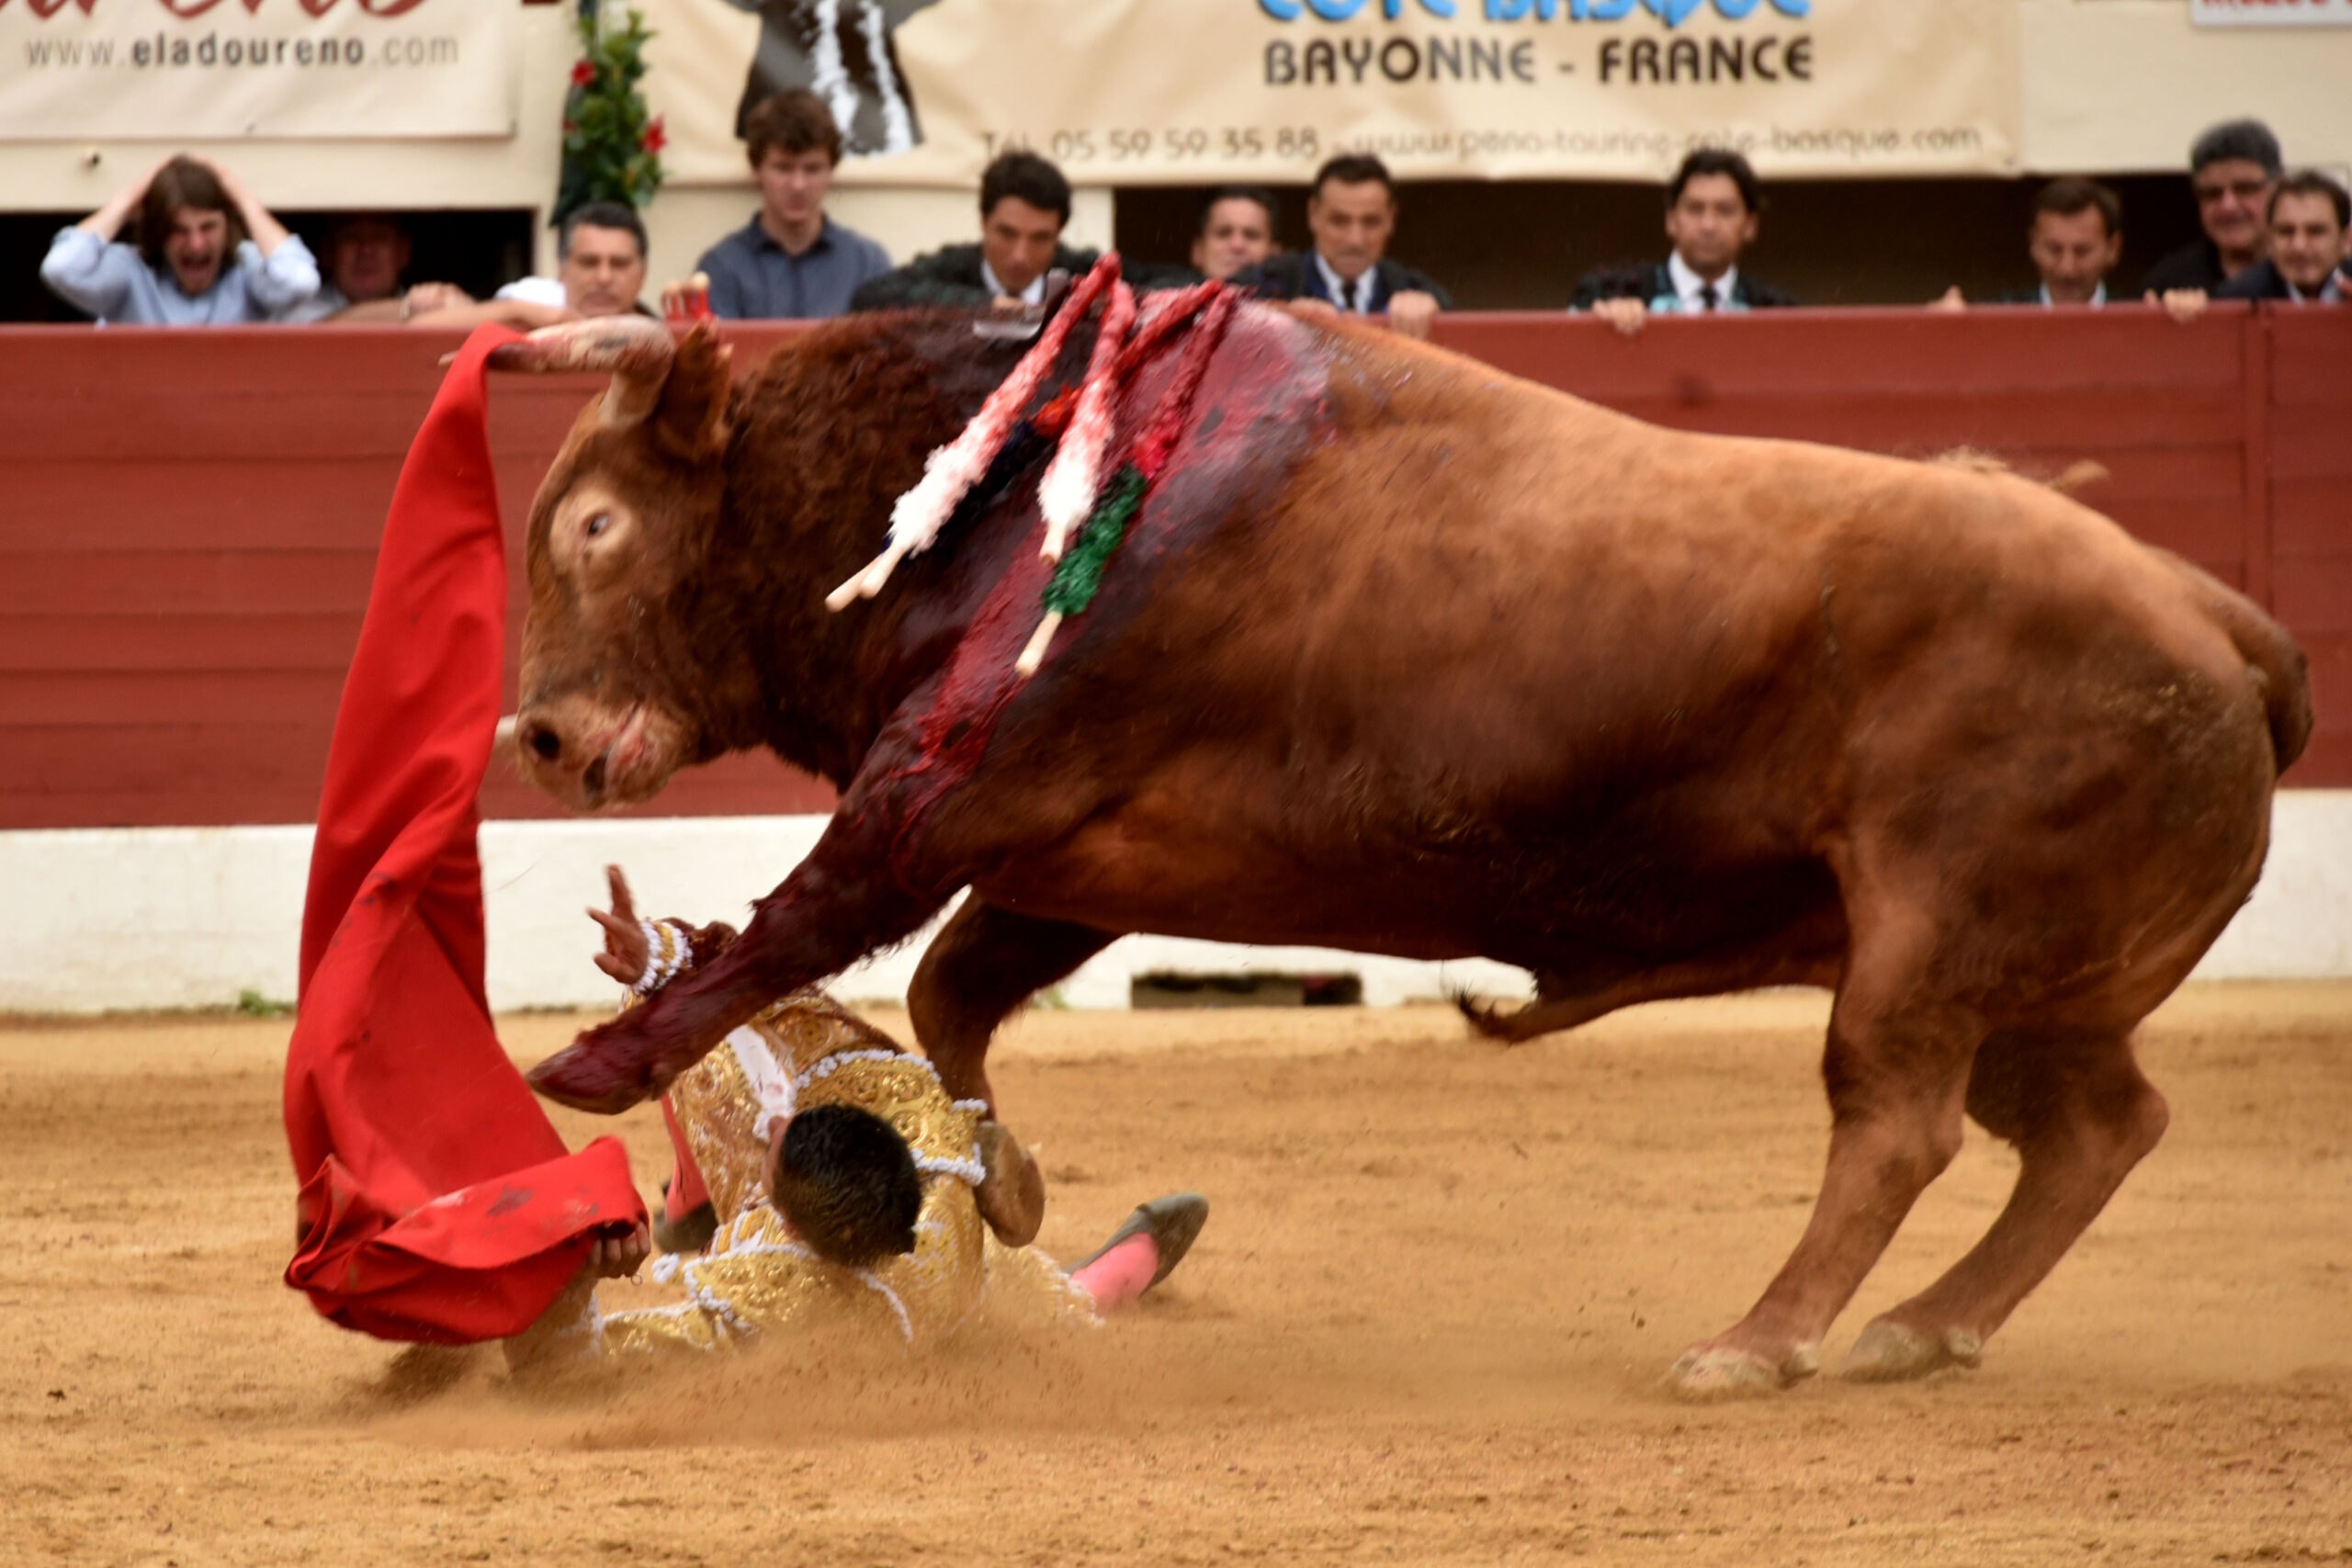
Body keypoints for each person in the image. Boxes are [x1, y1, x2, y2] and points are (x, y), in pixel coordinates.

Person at [503, 868, 1209, 1371]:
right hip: (964, 1287)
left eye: (775, 1147)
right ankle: (1128, 1262)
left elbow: (564, 1372)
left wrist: (575, 1285)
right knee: (1066, 1300)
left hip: (873, 1282)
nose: (772, 1127)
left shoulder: (769, 1299)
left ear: (783, 1218)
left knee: (669, 1026)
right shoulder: (934, 1176)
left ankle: (693, 1206)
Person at [851, 152, 1184, 311]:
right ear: (983, 223)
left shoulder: (1075, 269)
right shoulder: (957, 265)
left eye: (1040, 238)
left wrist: (1124, 301)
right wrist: (987, 306)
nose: (1020, 256)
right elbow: (871, 296)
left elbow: (1175, 281)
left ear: (1058, 234)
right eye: (1007, 234)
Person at [40, 152, 319, 326]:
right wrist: (128, 200)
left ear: (228, 225)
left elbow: (300, 282)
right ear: (157, 231)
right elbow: (61, 269)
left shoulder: (248, 266)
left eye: (208, 227)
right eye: (178, 230)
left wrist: (246, 202)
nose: (196, 244)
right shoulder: (129, 271)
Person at [691, 88, 892, 321]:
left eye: (813, 169)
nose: (798, 185)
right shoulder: (721, 267)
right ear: (756, 169)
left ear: (831, 171)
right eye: (783, 168)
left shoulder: (867, 264)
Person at [1571, 149, 1794, 337]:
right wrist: (1602, 327)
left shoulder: (1777, 310)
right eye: (1695, 209)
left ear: (1750, 225)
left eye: (1725, 211)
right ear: (1671, 220)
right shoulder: (1609, 291)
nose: (1708, 225)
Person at [1246, 155, 1450, 341]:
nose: (1355, 240)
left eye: (1371, 222)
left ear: (1391, 219)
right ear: (1313, 214)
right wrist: (1275, 316)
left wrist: (1436, 316)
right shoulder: (1264, 284)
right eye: (1339, 221)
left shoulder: (1417, 289)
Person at [285, 214, 575, 331]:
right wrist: (409, 308)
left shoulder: (441, 301)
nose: (366, 250)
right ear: (326, 252)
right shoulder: (298, 305)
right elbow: (320, 331)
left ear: (404, 252)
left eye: (380, 239)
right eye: (352, 238)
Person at [2142, 118, 2282, 299]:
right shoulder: (2167, 284)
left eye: (2245, 189)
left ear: (2280, 188)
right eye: (2213, 193)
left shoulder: (2307, 275)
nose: (2228, 206)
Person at [1933, 178, 2124, 310]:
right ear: (2033, 243)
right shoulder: (1996, 317)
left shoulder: (2141, 315)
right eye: (2053, 250)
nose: (2067, 269)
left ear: (2113, 248)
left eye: (2082, 251)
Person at [497, 201, 655, 319]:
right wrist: (516, 311)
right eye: (588, 263)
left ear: (643, 274)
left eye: (620, 264)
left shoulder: (667, 338)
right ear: (561, 269)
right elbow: (472, 314)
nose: (604, 277)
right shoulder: (537, 299)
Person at [2213, 172, 2349, 304]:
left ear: (2345, 240)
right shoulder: (2236, 298)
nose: (2298, 246)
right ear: (2270, 239)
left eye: (2315, 232)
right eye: (2286, 232)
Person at [1191, 186, 1279, 284]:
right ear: (1198, 250)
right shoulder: (1171, 292)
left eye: (1251, 235)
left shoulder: (1296, 295)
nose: (1237, 245)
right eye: (1223, 233)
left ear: (1275, 252)